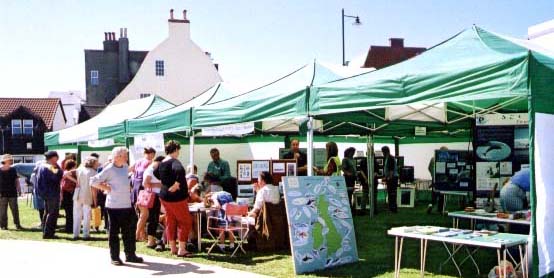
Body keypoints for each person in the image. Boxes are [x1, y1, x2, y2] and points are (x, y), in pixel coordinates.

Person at [91, 147, 143, 265]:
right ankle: (115, 257)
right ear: (117, 157)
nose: (126, 157)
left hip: (127, 205)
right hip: (113, 206)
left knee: (129, 232)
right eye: (124, 155)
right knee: (114, 233)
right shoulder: (109, 169)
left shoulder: (125, 167)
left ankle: (130, 255)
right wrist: (106, 188)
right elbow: (93, 181)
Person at [154, 140, 193, 258]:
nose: (179, 153)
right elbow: (180, 171)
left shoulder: (161, 163)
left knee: (170, 221)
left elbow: (155, 172)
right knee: (185, 221)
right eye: (178, 150)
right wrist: (176, 184)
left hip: (164, 196)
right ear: (175, 150)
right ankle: (182, 249)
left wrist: (166, 182)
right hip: (176, 197)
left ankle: (173, 248)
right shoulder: (174, 161)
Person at [36, 151, 64, 239]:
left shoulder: (42, 165)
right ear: (53, 158)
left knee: (47, 212)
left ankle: (45, 231)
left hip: (45, 192)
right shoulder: (49, 167)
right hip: (51, 192)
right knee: (53, 213)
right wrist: (60, 171)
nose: (57, 160)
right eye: (56, 158)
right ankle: (48, 233)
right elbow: (56, 177)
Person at [131, 147, 155, 241]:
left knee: (140, 213)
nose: (150, 156)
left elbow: (131, 170)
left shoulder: (138, 161)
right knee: (144, 214)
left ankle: (142, 235)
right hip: (143, 189)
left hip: (136, 188)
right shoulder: (150, 163)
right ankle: (136, 235)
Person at [73, 156, 98, 239]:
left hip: (78, 193)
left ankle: (75, 234)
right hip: (87, 194)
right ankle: (85, 234)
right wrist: (95, 200)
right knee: (87, 215)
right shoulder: (94, 172)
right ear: (93, 163)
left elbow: (67, 174)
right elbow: (94, 188)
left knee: (76, 214)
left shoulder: (80, 169)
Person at [143, 155, 164, 248]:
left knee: (153, 219)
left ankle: (151, 240)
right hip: (153, 196)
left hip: (153, 196)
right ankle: (151, 241)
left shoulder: (150, 169)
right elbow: (145, 183)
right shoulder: (151, 170)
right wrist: (159, 185)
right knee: (153, 219)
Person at [0, 154, 22, 230]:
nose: (11, 160)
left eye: (11, 159)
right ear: (5, 161)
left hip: (12, 193)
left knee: (15, 210)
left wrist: (19, 189)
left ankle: (17, 224)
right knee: (2, 211)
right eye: (9, 159)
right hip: (2, 194)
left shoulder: (13, 170)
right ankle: (3, 226)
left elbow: (16, 180)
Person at [427, 146, 447, 214]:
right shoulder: (445, 159)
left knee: (434, 195)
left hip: (435, 179)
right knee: (442, 195)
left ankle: (430, 205)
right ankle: (440, 209)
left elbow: (429, 168)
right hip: (442, 179)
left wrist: (433, 175)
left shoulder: (433, 158)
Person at [61, 159, 78, 233]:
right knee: (69, 212)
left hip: (70, 193)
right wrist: (76, 181)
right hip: (67, 193)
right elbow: (66, 175)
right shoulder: (66, 172)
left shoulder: (72, 173)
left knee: (70, 212)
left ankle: (70, 227)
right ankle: (69, 228)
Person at [381, 146, 398, 213]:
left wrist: (388, 178)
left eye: (383, 152)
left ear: (385, 151)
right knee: (391, 194)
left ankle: (393, 209)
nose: (382, 153)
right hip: (391, 178)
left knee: (392, 194)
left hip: (392, 178)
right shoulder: (388, 158)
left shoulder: (390, 158)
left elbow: (391, 170)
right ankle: (391, 208)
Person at [30, 161, 46, 228]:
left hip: (38, 192)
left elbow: (32, 183)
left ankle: (43, 223)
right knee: (46, 209)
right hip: (45, 192)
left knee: (41, 209)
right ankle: (45, 223)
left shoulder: (33, 175)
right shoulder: (45, 173)